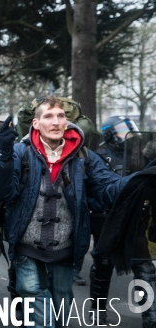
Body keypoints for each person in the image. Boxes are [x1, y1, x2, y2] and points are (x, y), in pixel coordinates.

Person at [0, 96, 136, 328]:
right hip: (27, 251)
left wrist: (140, 178)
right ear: (36, 123)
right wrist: (3, 156)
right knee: (42, 316)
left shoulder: (84, 158)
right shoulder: (19, 153)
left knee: (62, 317)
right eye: (48, 116)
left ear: (67, 122)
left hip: (66, 253)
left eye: (60, 116)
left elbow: (109, 189)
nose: (55, 122)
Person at [88, 115, 156, 326]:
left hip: (134, 219)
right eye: (119, 130)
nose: (125, 135)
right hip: (107, 218)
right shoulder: (99, 157)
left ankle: (150, 316)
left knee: (144, 267)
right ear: (109, 135)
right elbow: (96, 190)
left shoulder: (139, 155)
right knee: (103, 264)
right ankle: (97, 310)